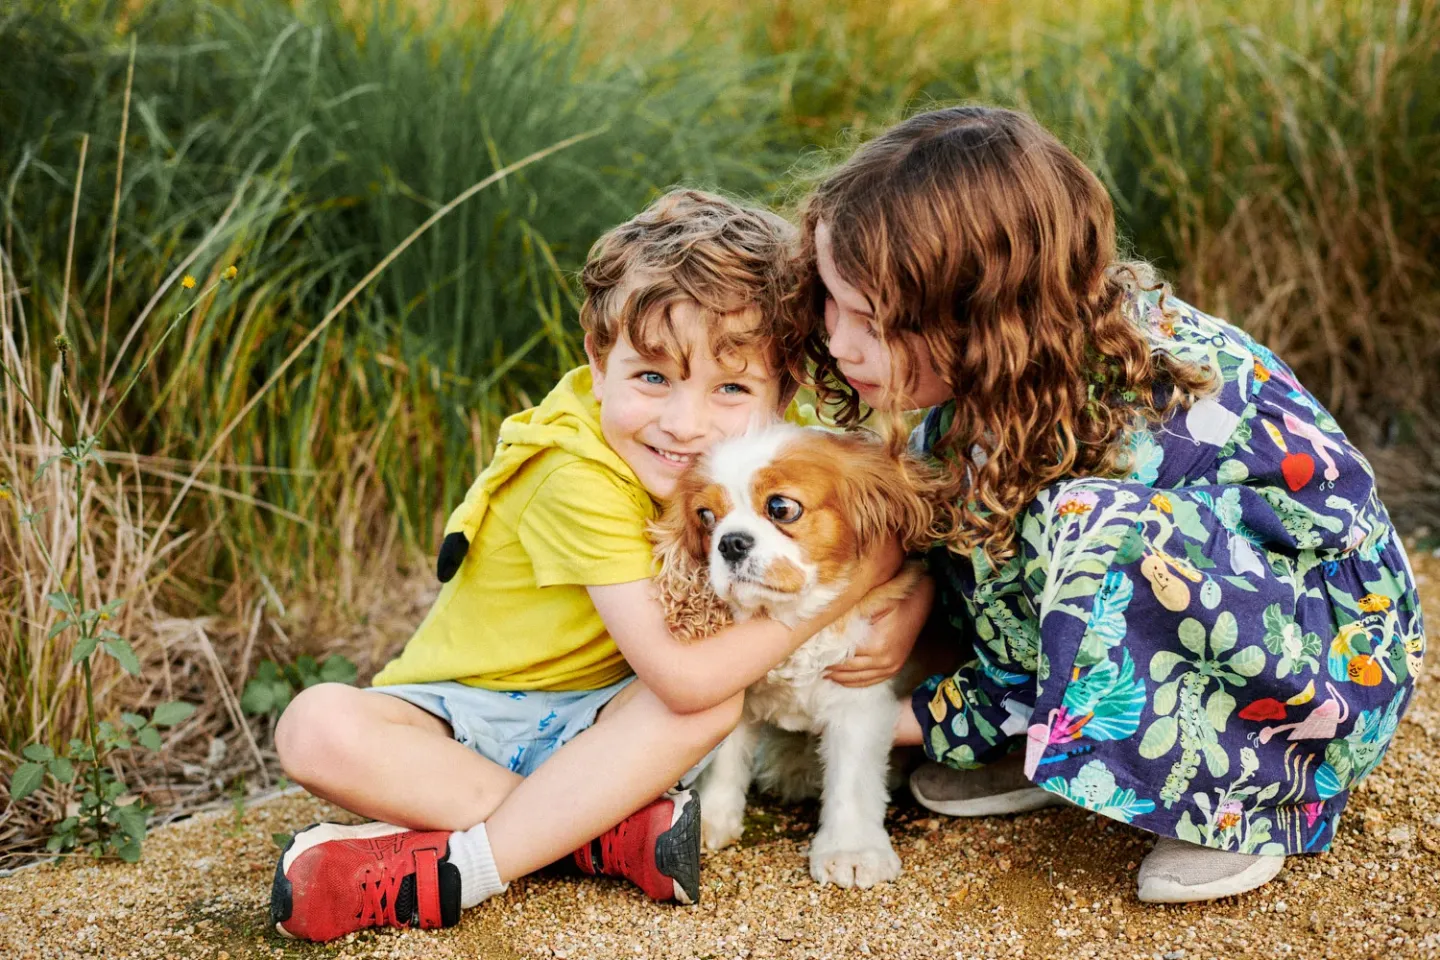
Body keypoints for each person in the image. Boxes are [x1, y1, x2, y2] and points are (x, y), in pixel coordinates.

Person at [785, 105, 1425, 903]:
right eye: (832, 303)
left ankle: (1235, 799)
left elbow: (1089, 573)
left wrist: (898, 719)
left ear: (986, 314)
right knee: (954, 489)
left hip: (1319, 664)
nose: (841, 343)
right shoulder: (1006, 381)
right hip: (1211, 603)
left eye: (872, 321)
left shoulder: (1143, 405)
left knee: (1092, 528)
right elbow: (1000, 564)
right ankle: (1067, 742)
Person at [266, 189, 910, 941]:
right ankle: (540, 848)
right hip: (464, 715)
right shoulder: (572, 472)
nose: (684, 422)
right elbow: (685, 673)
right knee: (313, 727)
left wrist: (903, 604)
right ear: (598, 363)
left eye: (731, 388)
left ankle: (550, 827)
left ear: (782, 395)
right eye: (652, 378)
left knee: (708, 708)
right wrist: (855, 583)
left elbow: (875, 520)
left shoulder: (767, 460)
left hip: (604, 724)